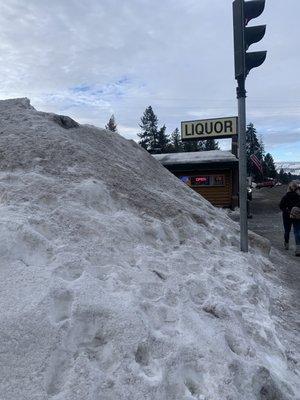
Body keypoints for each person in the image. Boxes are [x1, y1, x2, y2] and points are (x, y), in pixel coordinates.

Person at [279, 181, 300, 256]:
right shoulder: (298, 197)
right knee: (297, 231)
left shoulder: (285, 196)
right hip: (296, 216)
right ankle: (298, 249)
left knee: (287, 230)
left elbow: (281, 206)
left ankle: (286, 244)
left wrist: (286, 210)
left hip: (286, 216)